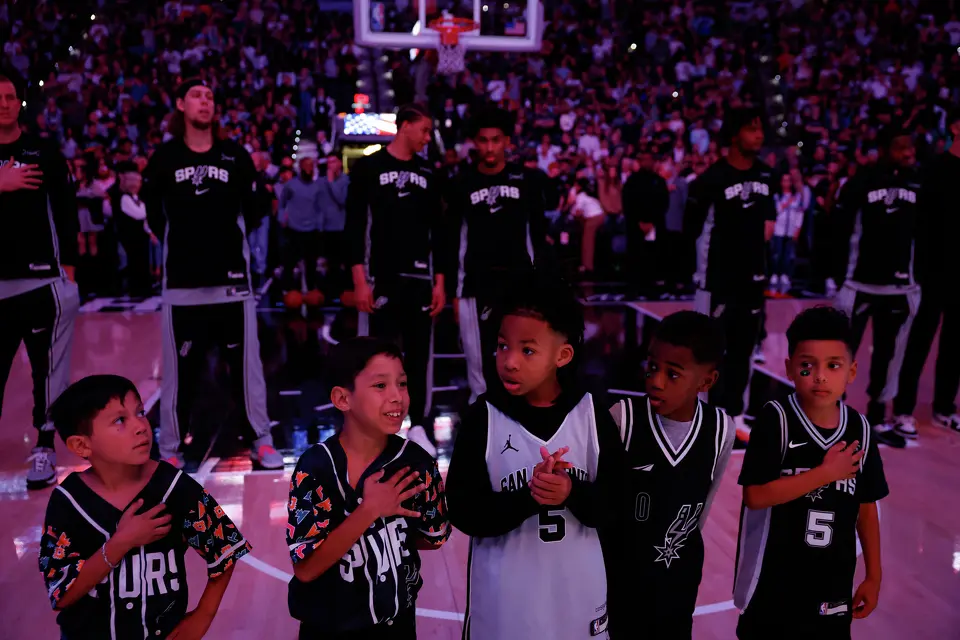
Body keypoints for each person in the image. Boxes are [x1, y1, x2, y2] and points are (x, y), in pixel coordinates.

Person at [446, 275, 623, 640]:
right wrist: (530, 496)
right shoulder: (483, 418)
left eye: (527, 350)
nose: (509, 361)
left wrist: (570, 492)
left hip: (577, 597)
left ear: (563, 355)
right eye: (501, 346)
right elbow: (464, 511)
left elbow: (616, 504)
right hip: (504, 603)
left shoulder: (592, 414)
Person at [39, 374, 250, 639]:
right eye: (120, 420)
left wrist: (203, 616)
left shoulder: (174, 486)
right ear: (82, 445)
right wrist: (122, 542)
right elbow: (62, 595)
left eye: (140, 412)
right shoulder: (67, 502)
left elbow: (225, 549)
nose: (141, 426)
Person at [142, 78, 282, 470]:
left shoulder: (234, 156)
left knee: (246, 370)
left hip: (232, 284)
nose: (205, 102)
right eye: (197, 96)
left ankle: (261, 439)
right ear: (181, 105)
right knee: (179, 375)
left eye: (210, 96)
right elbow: (155, 215)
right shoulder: (164, 159)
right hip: (183, 286)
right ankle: (170, 447)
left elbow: (255, 211)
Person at [735, 306, 887, 639]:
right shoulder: (775, 420)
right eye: (807, 365)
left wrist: (874, 575)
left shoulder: (860, 429)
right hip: (773, 588)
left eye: (833, 366)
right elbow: (755, 496)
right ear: (789, 369)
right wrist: (825, 473)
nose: (820, 376)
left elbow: (866, 507)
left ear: (851, 371)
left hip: (832, 591)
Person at [286, 337, 449, 639]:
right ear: (342, 399)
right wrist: (370, 510)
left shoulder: (417, 462)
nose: (396, 397)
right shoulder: (315, 468)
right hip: (326, 629)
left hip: (397, 625)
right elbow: (306, 569)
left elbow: (434, 537)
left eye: (402, 384)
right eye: (380, 386)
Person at [607, 311, 734, 639]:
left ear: (706, 382)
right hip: (618, 580)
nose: (656, 380)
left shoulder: (721, 429)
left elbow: (702, 508)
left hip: (677, 579)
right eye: (652, 367)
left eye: (672, 374)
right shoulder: (622, 419)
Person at [344, 104, 446, 452]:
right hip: (379, 279)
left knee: (419, 358)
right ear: (404, 126)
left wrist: (441, 282)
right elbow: (355, 226)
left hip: (420, 278)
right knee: (377, 359)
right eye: (424, 130)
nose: (427, 137)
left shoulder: (429, 173)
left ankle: (419, 425)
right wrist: (359, 279)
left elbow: (439, 233)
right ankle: (376, 428)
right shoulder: (369, 167)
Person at [0, 73, 80, 489]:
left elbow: (67, 210)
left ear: (20, 103)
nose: (4, 103)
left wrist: (70, 270)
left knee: (47, 374)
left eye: (11, 96)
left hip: (39, 282)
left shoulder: (44, 151)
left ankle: (44, 448)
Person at [685, 106, 777, 439]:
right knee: (708, 351)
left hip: (752, 280)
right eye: (752, 129)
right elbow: (692, 231)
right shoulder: (711, 180)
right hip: (715, 283)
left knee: (743, 350)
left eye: (760, 129)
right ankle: (699, 416)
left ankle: (735, 414)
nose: (760, 135)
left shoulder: (767, 175)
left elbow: (769, 223)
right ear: (735, 133)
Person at [445, 106, 546, 404]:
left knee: (521, 357)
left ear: (507, 142)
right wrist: (454, 290)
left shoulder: (526, 181)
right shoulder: (461, 184)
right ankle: (482, 427)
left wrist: (540, 282)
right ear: (475, 143)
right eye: (483, 140)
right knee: (479, 368)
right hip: (475, 286)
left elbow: (537, 239)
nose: (489, 148)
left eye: (496, 140)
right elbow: (454, 241)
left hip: (520, 284)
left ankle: (519, 425)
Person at [832, 127, 921, 447]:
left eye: (910, 147)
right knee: (842, 351)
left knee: (889, 355)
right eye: (901, 147)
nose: (908, 153)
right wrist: (838, 274)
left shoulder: (918, 182)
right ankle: (833, 413)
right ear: (884, 149)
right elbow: (839, 230)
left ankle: (878, 414)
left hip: (900, 287)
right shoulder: (860, 182)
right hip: (859, 283)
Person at [891, 109, 960, 435]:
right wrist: (915, 271)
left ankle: (944, 407)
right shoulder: (934, 170)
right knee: (919, 341)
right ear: (955, 128)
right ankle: (903, 408)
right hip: (932, 272)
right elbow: (920, 226)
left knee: (955, 343)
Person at [279, 155, 323, 298]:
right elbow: (282, 203)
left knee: (311, 263)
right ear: (300, 168)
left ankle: (310, 289)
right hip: (293, 229)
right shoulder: (290, 185)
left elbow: (320, 207)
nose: (309, 169)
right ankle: (287, 289)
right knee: (289, 262)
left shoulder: (317, 187)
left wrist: (319, 225)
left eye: (311, 166)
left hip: (311, 229)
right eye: (306, 166)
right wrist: (282, 219)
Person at [317, 153, 349, 294]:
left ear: (340, 163)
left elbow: (342, 200)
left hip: (341, 227)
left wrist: (331, 183)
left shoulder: (346, 181)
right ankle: (330, 292)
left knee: (343, 262)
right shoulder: (321, 181)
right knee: (329, 263)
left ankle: (344, 292)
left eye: (333, 162)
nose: (331, 165)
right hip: (325, 228)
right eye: (328, 162)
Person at [770, 172, 805, 295]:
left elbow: (800, 214)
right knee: (776, 254)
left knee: (788, 255)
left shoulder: (797, 197)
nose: (786, 183)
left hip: (790, 231)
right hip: (778, 230)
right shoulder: (777, 196)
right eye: (784, 180)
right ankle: (775, 274)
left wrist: (797, 229)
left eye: (788, 181)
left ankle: (785, 275)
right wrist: (786, 203)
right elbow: (776, 211)